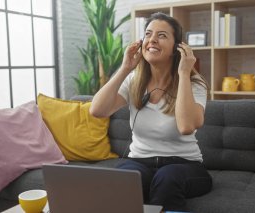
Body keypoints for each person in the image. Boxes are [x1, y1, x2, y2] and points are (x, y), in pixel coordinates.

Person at [89, 12, 212, 211]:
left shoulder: (194, 84)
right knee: (123, 180)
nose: (152, 39)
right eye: (148, 34)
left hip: (184, 165)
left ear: (177, 47)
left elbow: (186, 126)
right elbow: (97, 110)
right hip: (139, 162)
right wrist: (125, 68)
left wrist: (183, 73)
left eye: (162, 35)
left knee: (167, 178)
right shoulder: (133, 81)